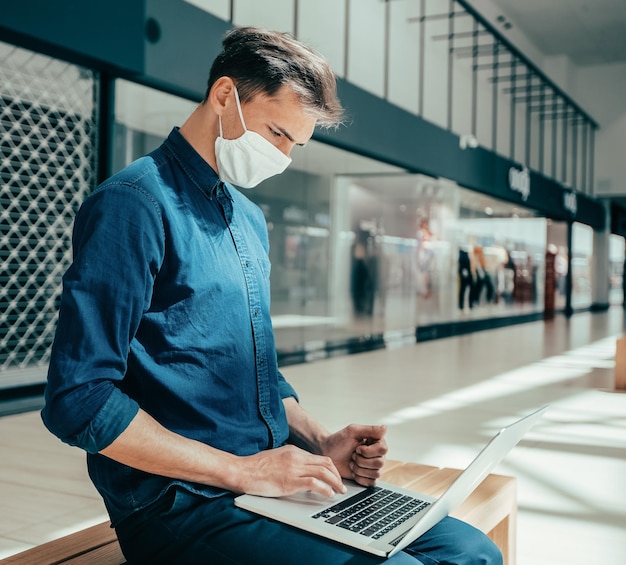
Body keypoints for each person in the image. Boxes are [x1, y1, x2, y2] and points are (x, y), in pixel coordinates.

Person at [41, 27, 502, 564]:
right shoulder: (134, 205)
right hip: (181, 505)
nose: (283, 156)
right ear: (224, 96)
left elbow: (256, 372)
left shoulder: (249, 219)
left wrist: (318, 440)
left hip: (267, 485)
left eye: (296, 145)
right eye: (277, 134)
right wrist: (244, 471)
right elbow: (79, 398)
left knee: (473, 552)